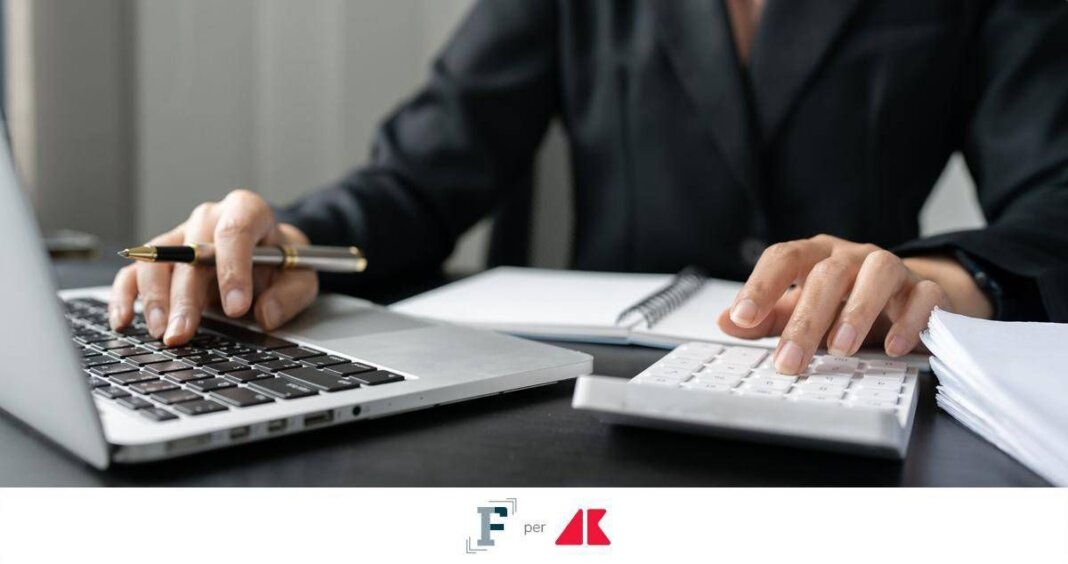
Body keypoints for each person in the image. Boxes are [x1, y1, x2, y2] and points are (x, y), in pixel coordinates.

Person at [108, 0, 1068, 375]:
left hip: (853, 375)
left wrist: (937, 282)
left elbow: (1056, 198)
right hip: (591, 398)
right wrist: (283, 244)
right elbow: (422, 173)